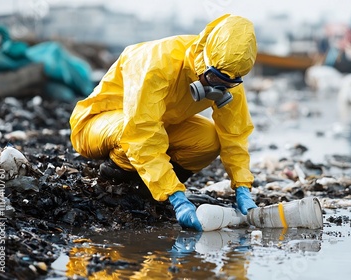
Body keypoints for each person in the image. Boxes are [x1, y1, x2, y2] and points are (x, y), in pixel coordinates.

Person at [69, 14, 258, 232]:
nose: (219, 89)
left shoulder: (229, 76)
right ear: (204, 60)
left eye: (228, 83)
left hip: (158, 126)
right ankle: (118, 174)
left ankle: (152, 187)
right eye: (215, 80)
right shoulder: (157, 64)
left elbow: (235, 133)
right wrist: (176, 197)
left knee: (211, 139)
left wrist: (242, 186)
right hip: (97, 124)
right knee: (130, 132)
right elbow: (141, 132)